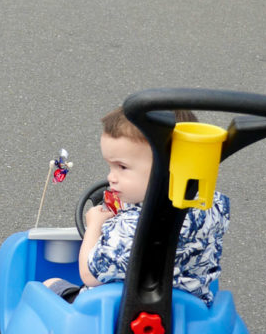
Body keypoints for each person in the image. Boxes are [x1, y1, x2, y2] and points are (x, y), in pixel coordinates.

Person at [51, 108, 230, 305]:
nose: (111, 177)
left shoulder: (129, 226)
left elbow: (89, 275)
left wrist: (95, 225)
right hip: (189, 312)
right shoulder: (214, 206)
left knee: (50, 284)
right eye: (110, 167)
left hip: (111, 313)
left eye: (122, 167)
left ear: (169, 166)